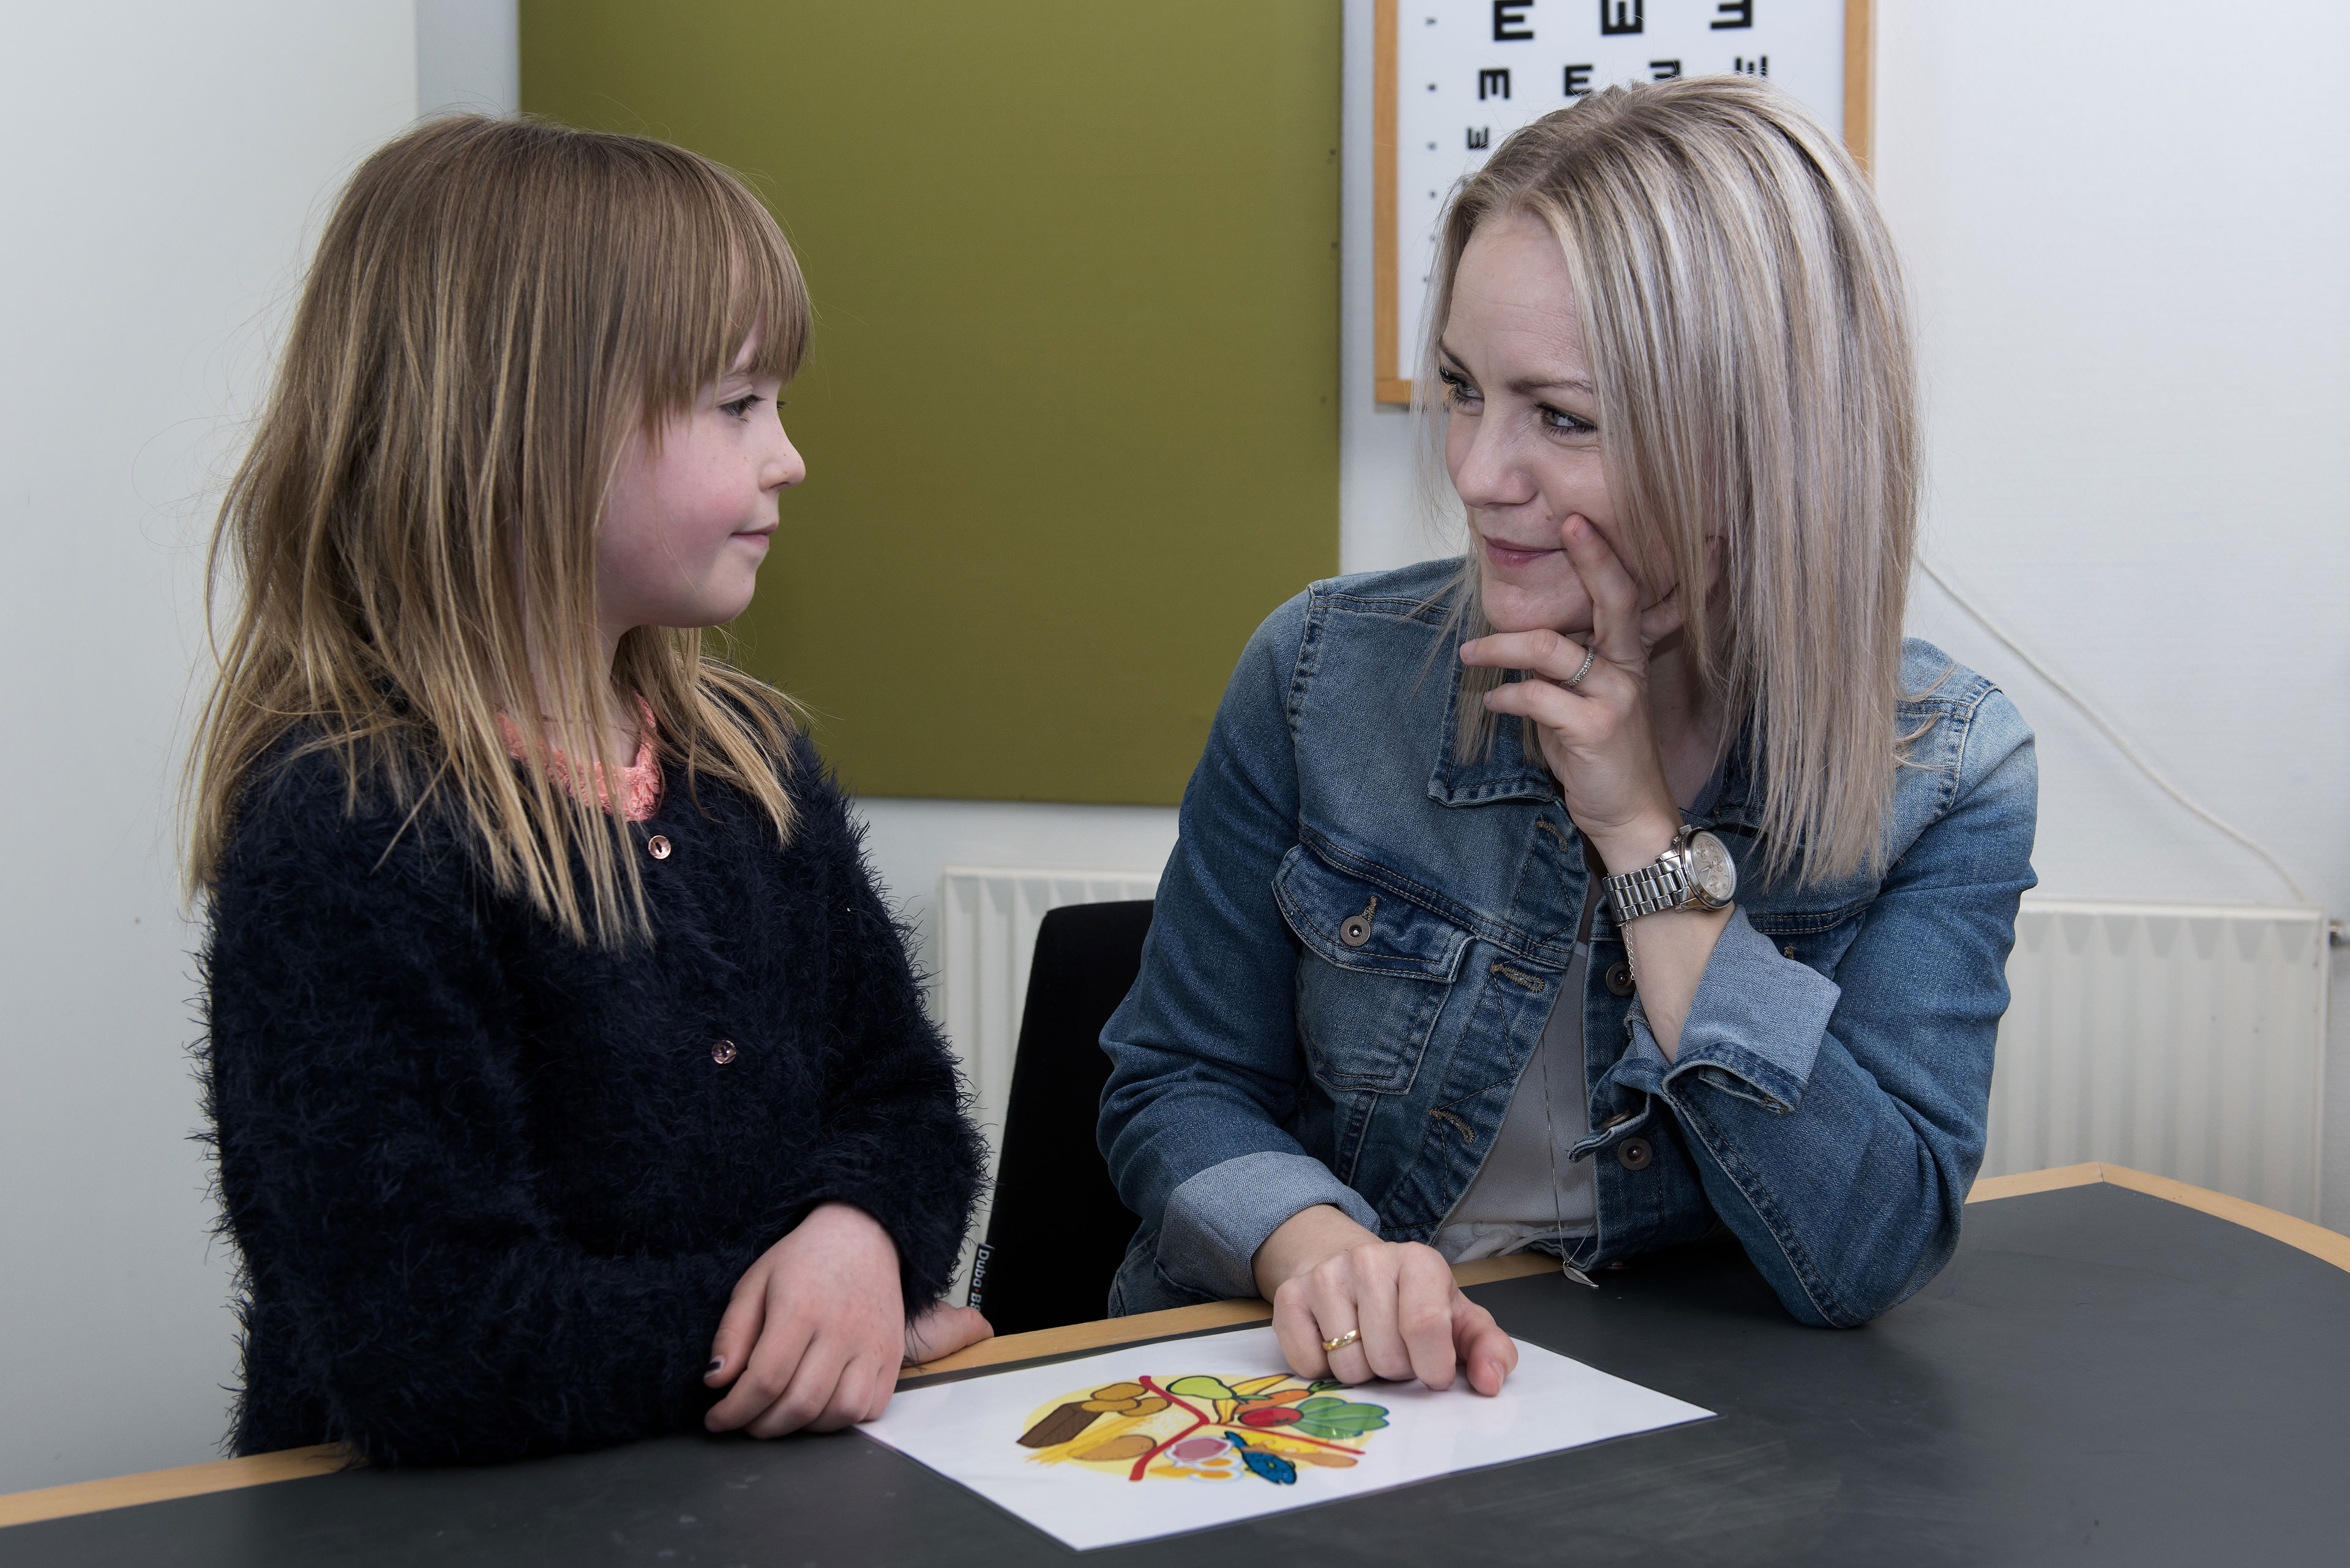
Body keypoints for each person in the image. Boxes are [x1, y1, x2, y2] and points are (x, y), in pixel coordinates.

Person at [1097, 77, 2037, 1397]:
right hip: (1335, 1399)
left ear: (1757, 445)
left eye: (1563, 417)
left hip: (1681, 1432)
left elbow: (1867, 1248)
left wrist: (1642, 837)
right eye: (1467, 391)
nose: (1479, 473)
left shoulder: (1947, 770)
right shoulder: (1319, 675)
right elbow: (1173, 1084)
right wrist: (1319, 1249)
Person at [189, 116, 990, 1467]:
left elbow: (905, 1107)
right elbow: (435, 1346)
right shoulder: (347, 833)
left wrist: (856, 1244)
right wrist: (796, 1331)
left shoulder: (749, 766)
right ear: (533, 428)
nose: (786, 454)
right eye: (738, 406)